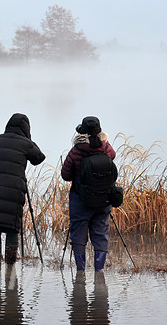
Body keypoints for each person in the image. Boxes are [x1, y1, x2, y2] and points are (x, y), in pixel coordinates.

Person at [0, 113, 46, 265]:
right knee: (12, 226)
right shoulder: (25, 143)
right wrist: (29, 141)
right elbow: (39, 158)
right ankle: (10, 268)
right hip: (13, 189)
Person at [61, 116, 117, 271]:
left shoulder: (76, 150)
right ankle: (99, 271)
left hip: (81, 199)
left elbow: (65, 175)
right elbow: (113, 156)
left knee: (78, 234)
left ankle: (81, 271)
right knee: (100, 233)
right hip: (104, 200)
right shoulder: (106, 148)